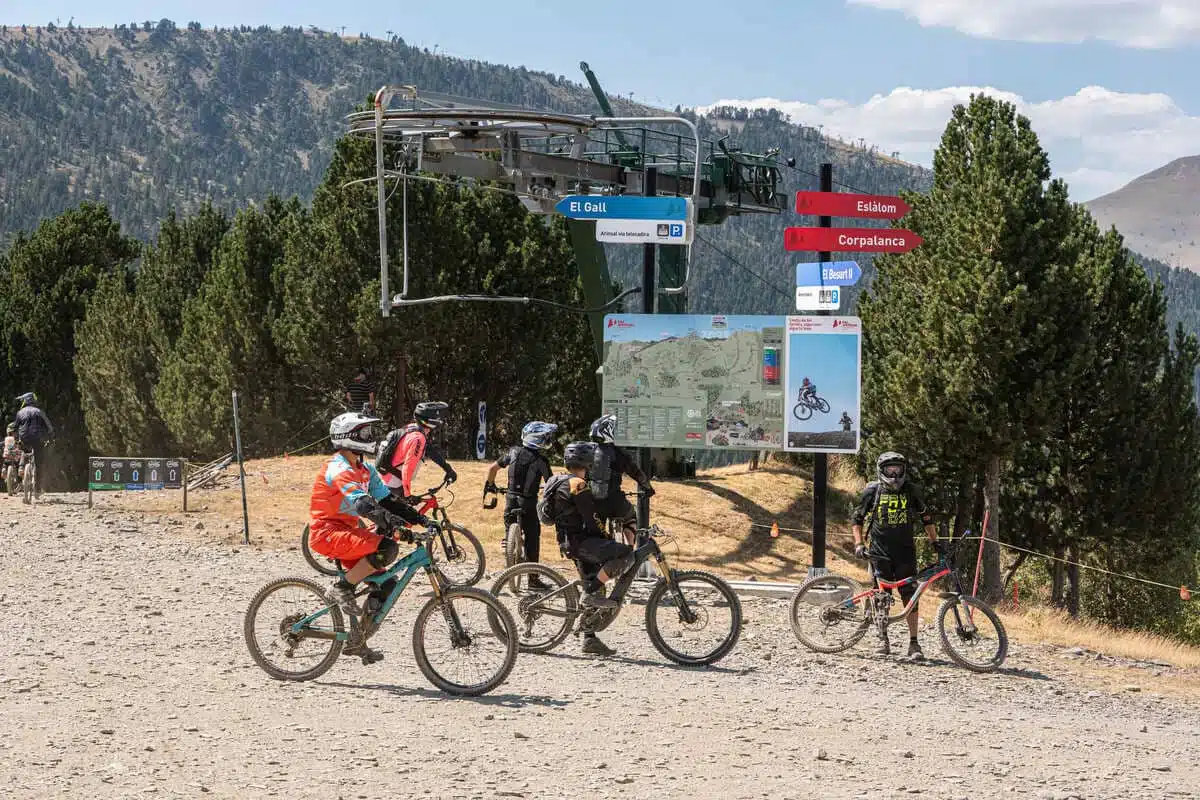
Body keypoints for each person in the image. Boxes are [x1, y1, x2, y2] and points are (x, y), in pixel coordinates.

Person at [308, 411, 432, 665]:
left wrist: (421, 519)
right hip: (327, 532)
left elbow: (387, 500)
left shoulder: (364, 469)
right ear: (348, 437)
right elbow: (364, 505)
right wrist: (395, 527)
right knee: (387, 549)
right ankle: (341, 588)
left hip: (347, 531)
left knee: (386, 584)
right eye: (364, 433)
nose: (370, 437)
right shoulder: (339, 467)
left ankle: (357, 639)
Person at [542, 441, 636, 656]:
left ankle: (589, 639)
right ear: (588, 462)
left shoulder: (561, 480)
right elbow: (592, 519)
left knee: (594, 580)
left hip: (568, 541)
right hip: (580, 543)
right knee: (623, 553)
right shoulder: (578, 485)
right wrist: (608, 539)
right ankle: (590, 594)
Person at [850, 451, 941, 661]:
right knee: (880, 597)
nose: (894, 474)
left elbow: (926, 518)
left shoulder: (911, 490)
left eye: (897, 469)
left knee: (910, 595)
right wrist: (858, 544)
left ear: (903, 470)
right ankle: (882, 639)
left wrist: (934, 541)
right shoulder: (873, 489)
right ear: (881, 470)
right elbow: (857, 518)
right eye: (890, 469)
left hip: (905, 550)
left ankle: (914, 642)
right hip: (879, 551)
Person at [484, 421, 557, 587]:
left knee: (509, 528)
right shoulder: (541, 460)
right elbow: (550, 484)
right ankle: (533, 579)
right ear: (539, 440)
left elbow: (492, 469)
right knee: (533, 537)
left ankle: (509, 548)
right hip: (528, 503)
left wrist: (491, 486)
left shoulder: (513, 452)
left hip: (510, 499)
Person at [587, 414, 653, 546]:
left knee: (594, 531)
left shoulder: (587, 450)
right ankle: (629, 549)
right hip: (615, 501)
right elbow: (636, 473)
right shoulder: (619, 453)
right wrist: (647, 488)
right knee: (630, 517)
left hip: (592, 501)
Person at [376, 402, 457, 501]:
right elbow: (408, 468)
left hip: (388, 479)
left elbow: (429, 451)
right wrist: (408, 495)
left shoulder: (411, 428)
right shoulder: (418, 439)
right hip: (394, 483)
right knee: (408, 515)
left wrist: (447, 468)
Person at [14, 393, 53, 498]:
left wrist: (17, 440)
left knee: (21, 453)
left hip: (24, 440)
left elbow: (14, 428)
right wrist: (50, 439)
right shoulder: (39, 412)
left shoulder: (20, 412)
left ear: (25, 402)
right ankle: (37, 490)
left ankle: (20, 473)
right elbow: (50, 428)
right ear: (34, 401)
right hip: (37, 440)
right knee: (38, 463)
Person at [3, 423, 21, 494]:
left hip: (7, 457)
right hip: (13, 457)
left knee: (5, 466)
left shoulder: (6, 439)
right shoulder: (16, 440)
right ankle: (19, 482)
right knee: (19, 467)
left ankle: (6, 478)